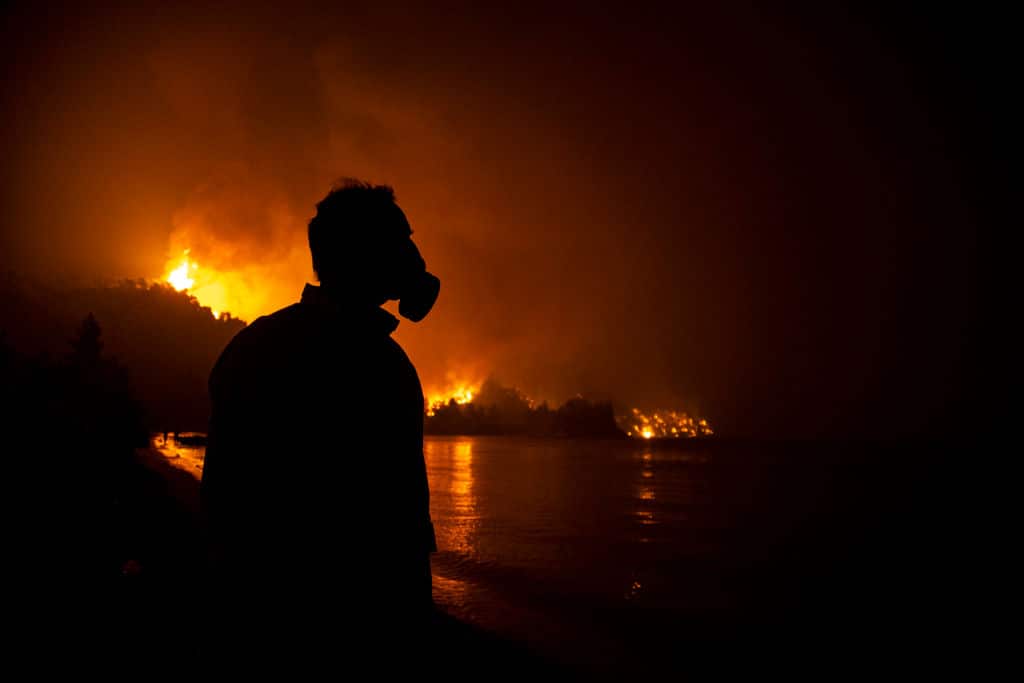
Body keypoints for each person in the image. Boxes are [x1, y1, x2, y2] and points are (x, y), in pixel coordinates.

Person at [200, 180, 440, 657]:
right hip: (352, 621)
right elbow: (399, 519)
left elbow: (221, 498)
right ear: (370, 254)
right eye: (401, 242)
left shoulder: (254, 345)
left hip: (259, 614)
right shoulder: (381, 365)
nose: (412, 256)